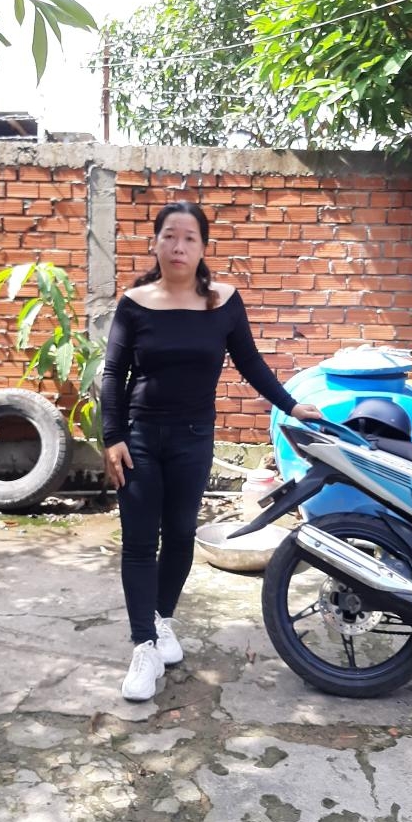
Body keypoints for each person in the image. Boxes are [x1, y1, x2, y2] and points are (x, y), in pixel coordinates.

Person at [101, 200, 321, 702]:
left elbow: (249, 361)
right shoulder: (135, 303)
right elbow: (114, 373)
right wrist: (112, 437)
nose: (178, 246)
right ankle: (143, 646)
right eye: (169, 236)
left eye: (189, 238)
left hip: (193, 437)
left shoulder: (223, 301)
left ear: (203, 247)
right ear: (155, 243)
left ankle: (162, 620)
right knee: (140, 542)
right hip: (139, 437)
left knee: (181, 534)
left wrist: (290, 405)